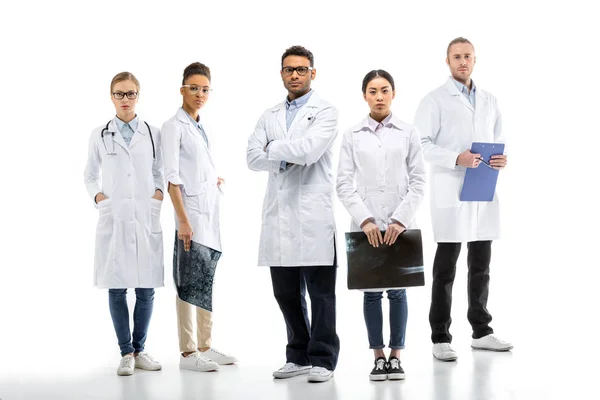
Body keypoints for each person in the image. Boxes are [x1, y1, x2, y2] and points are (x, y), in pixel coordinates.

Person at [414, 37, 513, 361]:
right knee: (446, 268)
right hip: (451, 189)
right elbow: (422, 145)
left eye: (467, 56)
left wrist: (501, 157)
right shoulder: (434, 100)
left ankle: (481, 330)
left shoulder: (489, 99)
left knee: (481, 265)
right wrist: (457, 158)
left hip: (482, 188)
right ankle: (440, 336)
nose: (462, 61)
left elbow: (498, 139)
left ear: (475, 59)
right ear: (447, 61)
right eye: (456, 56)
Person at [246, 45, 340, 383]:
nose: (295, 75)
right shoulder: (268, 115)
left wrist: (273, 150)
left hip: (313, 216)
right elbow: (251, 157)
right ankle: (297, 354)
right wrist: (285, 154)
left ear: (313, 73)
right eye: (289, 69)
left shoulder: (326, 111)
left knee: (321, 294)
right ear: (282, 73)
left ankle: (323, 358)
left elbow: (311, 150)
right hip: (279, 215)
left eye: (301, 69)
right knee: (285, 292)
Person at [336, 69, 426, 381]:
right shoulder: (352, 135)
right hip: (366, 226)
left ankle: (396, 356)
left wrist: (400, 219)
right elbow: (344, 184)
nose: (379, 96)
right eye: (372, 91)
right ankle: (377, 357)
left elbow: (418, 181)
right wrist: (366, 220)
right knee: (372, 293)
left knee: (399, 291)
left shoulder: (408, 132)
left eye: (384, 90)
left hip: (400, 223)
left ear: (393, 94)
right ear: (364, 96)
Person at [84, 71, 164, 376]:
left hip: (145, 216)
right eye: (119, 94)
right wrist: (100, 200)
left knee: (145, 289)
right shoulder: (100, 134)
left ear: (138, 96)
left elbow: (161, 171)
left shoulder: (154, 133)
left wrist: (157, 196)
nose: (125, 99)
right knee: (117, 288)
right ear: (111, 96)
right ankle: (126, 352)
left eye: (130, 94)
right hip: (114, 218)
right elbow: (89, 175)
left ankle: (140, 349)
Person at [161, 62, 237, 372]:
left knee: (205, 280)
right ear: (182, 90)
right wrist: (182, 220)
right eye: (194, 88)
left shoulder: (200, 125)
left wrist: (212, 180)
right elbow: (171, 177)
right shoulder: (173, 126)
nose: (200, 94)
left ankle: (205, 345)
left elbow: (196, 168)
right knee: (188, 282)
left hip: (208, 215)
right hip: (190, 218)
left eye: (205, 89)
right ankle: (188, 352)